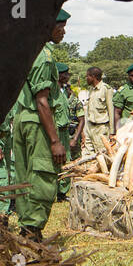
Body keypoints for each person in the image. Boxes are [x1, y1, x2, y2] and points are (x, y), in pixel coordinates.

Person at [11, 9, 69, 238]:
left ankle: (26, 227)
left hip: (23, 119)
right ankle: (33, 230)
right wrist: (55, 141)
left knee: (24, 175)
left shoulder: (28, 51)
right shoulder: (44, 57)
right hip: (37, 121)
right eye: (59, 26)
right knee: (43, 174)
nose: (63, 31)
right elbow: (42, 100)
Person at [76, 66, 115, 158]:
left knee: (102, 155)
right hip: (90, 127)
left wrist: (112, 132)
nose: (86, 79)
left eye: (87, 76)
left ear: (93, 77)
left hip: (101, 128)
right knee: (87, 154)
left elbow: (111, 110)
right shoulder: (91, 90)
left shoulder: (106, 89)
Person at [54, 62, 77, 200]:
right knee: (55, 161)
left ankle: (62, 192)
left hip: (65, 131)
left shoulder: (63, 91)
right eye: (65, 74)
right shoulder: (53, 90)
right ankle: (54, 191)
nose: (68, 76)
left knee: (66, 160)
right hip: (56, 130)